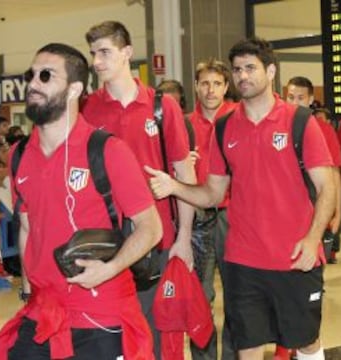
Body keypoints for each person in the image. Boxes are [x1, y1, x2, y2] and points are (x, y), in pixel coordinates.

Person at [145, 37, 335, 360]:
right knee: (247, 347)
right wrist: (175, 187)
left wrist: (312, 238)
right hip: (243, 262)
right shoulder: (225, 128)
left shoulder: (300, 121)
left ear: (271, 71)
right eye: (237, 70)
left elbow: (327, 187)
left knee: (305, 341)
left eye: (250, 68)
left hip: (294, 257)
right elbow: (213, 193)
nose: (243, 76)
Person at [0, 42, 162, 360]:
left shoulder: (108, 150)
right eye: (31, 75)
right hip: (43, 311)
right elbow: (27, 227)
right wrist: (27, 290)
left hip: (101, 312)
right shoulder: (19, 155)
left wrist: (109, 269)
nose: (33, 84)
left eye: (46, 75)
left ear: (74, 89)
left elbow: (151, 228)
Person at [82, 21, 196, 359]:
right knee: (110, 336)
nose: (97, 62)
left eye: (104, 52)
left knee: (155, 336)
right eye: (93, 54)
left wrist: (184, 239)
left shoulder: (161, 106)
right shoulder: (87, 109)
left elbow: (183, 171)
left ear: (127, 53)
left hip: (156, 240)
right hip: (105, 241)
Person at [187, 58, 237, 360]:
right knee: (199, 298)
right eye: (205, 83)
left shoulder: (238, 118)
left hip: (234, 215)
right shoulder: (183, 125)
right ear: (196, 85)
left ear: (226, 87)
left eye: (217, 83)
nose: (210, 90)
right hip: (197, 217)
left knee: (238, 295)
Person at [286, 76, 341, 266]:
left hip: (317, 210)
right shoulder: (277, 126)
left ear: (310, 100)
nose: (295, 102)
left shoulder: (324, 130)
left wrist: (337, 214)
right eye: (291, 97)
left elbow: (334, 176)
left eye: (300, 98)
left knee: (314, 266)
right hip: (287, 212)